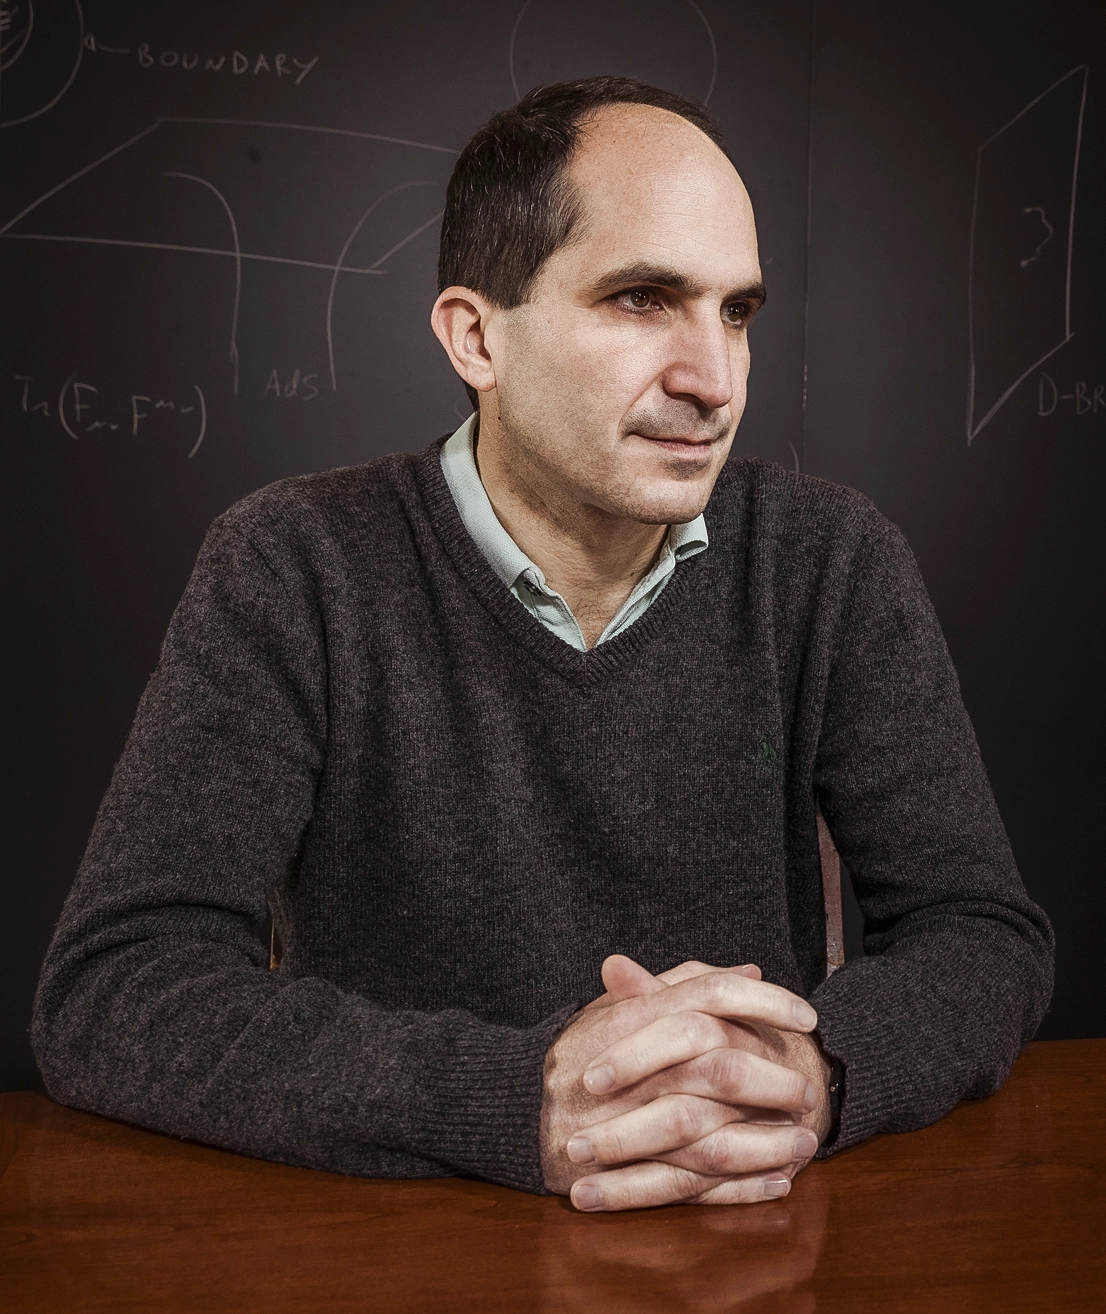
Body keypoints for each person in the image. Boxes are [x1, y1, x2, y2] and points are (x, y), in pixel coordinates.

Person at [32, 77, 1053, 1213]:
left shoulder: (828, 561)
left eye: (735, 312)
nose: (710, 380)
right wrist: (516, 1097)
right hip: (399, 1246)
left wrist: (818, 1072)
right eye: (639, 300)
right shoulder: (293, 564)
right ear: (476, 335)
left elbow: (982, 936)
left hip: (744, 1238)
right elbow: (112, 992)